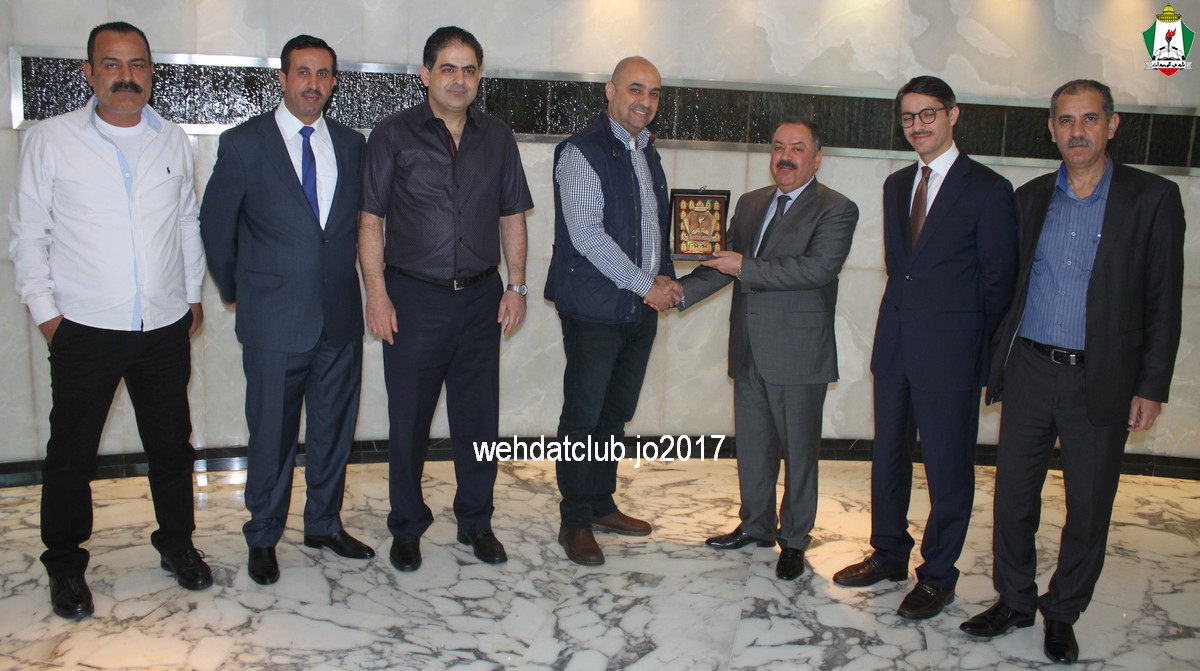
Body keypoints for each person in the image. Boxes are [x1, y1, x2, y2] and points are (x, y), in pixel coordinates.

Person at [960, 80, 1185, 665]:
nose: (1077, 131)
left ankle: (1063, 611)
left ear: (1112, 125)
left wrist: (1151, 386)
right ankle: (1015, 600)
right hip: (1031, 369)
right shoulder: (1030, 197)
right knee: (1013, 498)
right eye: (1066, 120)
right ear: (1051, 129)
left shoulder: (1152, 198)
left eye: (1089, 119)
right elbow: (1005, 285)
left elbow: (1164, 300)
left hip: (1103, 378)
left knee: (1088, 506)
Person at [8, 21, 211, 620]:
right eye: (113, 65)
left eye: (138, 65)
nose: (127, 77)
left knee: (171, 446)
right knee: (71, 452)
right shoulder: (51, 139)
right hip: (84, 327)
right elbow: (28, 235)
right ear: (90, 72)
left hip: (163, 326)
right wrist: (48, 317)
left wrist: (191, 294)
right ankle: (64, 562)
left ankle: (177, 543)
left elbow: (186, 223)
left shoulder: (172, 139)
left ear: (151, 72)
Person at [833, 76, 1018, 619]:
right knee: (887, 457)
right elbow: (902, 269)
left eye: (928, 114)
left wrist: (972, 346)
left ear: (953, 115)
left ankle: (938, 575)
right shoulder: (897, 185)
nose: (918, 125)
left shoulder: (988, 188)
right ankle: (889, 553)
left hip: (952, 354)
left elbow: (998, 282)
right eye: (908, 117)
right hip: (896, 345)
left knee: (947, 469)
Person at [200, 34, 372, 586]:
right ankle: (263, 535)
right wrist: (239, 290)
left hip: (338, 317)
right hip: (273, 320)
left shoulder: (352, 144)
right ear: (282, 78)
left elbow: (356, 227)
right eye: (302, 72)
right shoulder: (243, 144)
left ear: (334, 83)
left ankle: (323, 523)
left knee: (333, 432)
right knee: (271, 435)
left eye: (323, 74)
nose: (312, 84)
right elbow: (216, 228)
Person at [359, 26, 532, 572]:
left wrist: (517, 286)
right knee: (409, 421)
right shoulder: (392, 135)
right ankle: (407, 526)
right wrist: (377, 294)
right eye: (448, 68)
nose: (459, 80)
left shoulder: (497, 137)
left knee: (478, 421)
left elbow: (512, 215)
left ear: (479, 77)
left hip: (481, 300)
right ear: (425, 74)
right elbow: (370, 220)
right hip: (412, 300)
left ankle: (476, 522)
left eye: (469, 70)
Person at [677, 117, 858, 581]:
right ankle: (756, 524)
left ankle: (794, 539)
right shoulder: (751, 202)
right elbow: (724, 265)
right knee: (754, 445)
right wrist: (677, 292)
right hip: (748, 346)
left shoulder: (837, 208)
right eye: (778, 147)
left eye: (797, 148)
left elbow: (816, 269)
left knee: (799, 452)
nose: (785, 157)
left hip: (798, 351)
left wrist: (746, 266)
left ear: (817, 157)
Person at [544, 56, 680, 566]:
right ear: (610, 90)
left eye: (655, 92)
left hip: (638, 310)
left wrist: (665, 280)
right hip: (595, 310)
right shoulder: (582, 151)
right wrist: (648, 285)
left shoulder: (647, 151)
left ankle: (601, 504)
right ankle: (575, 520)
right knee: (583, 416)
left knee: (615, 413)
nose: (645, 101)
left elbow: (653, 229)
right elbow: (587, 236)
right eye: (635, 89)